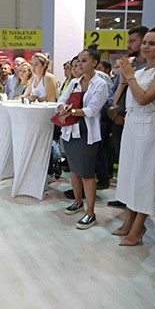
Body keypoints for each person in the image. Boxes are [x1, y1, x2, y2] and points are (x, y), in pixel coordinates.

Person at [112, 27, 155, 246]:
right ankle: (128, 221)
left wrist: (130, 77)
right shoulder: (138, 71)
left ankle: (139, 226)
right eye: (145, 42)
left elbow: (144, 98)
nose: (145, 46)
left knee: (145, 177)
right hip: (131, 124)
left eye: (152, 43)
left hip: (149, 125)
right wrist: (124, 79)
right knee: (130, 174)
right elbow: (118, 100)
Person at [56, 49, 109, 230]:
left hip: (87, 133)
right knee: (74, 169)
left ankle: (90, 213)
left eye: (84, 60)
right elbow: (61, 100)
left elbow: (92, 110)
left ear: (94, 63)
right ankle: (77, 201)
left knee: (86, 173)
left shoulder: (100, 84)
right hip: (70, 130)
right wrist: (63, 108)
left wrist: (70, 111)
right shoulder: (74, 82)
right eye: (78, 60)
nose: (79, 63)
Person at [106, 25, 149, 208]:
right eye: (128, 41)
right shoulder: (128, 65)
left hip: (139, 118)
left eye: (133, 41)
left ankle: (135, 200)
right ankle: (124, 195)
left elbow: (144, 96)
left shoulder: (151, 68)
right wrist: (113, 110)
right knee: (123, 159)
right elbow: (115, 89)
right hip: (120, 119)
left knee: (138, 164)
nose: (129, 45)